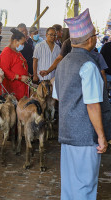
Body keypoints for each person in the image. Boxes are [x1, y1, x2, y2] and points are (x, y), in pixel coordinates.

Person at [53, 9, 111, 200]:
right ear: (90, 39)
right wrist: (102, 137)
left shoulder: (63, 64)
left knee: (70, 186)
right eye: (95, 34)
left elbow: (60, 97)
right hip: (86, 138)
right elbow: (93, 105)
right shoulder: (88, 65)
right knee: (85, 187)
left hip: (67, 135)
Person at [0, 28, 29, 101]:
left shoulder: (16, 51)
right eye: (22, 43)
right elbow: (5, 70)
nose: (23, 45)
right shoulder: (7, 53)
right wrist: (19, 77)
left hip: (21, 86)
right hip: (14, 88)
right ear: (15, 41)